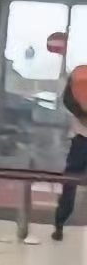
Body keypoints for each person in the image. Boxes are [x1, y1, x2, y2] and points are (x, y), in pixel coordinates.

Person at [52, 64, 87, 240]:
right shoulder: (81, 76)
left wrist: (81, 114)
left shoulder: (80, 75)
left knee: (71, 181)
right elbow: (68, 100)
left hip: (81, 137)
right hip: (81, 137)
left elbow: (67, 100)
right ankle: (59, 223)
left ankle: (59, 224)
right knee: (71, 180)